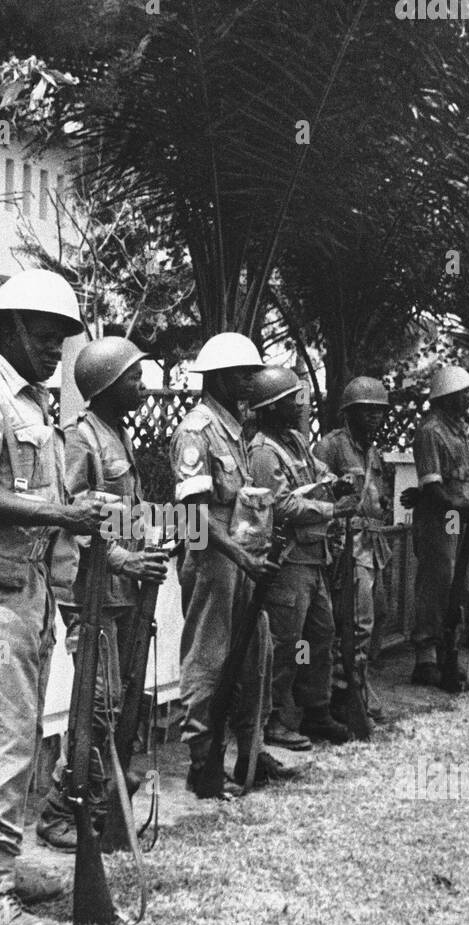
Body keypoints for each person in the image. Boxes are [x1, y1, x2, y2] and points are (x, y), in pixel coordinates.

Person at [0, 269, 104, 925]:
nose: (53, 350)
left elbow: (50, 522)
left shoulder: (40, 408)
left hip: (29, 593)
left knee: (17, 737)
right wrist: (62, 510)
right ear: (8, 330)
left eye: (61, 340)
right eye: (42, 336)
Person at [34, 336, 167, 851]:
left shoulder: (117, 435)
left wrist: (156, 541)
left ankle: (99, 798)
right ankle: (59, 811)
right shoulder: (80, 439)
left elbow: (125, 513)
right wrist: (123, 559)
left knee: (116, 704)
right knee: (99, 702)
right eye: (133, 377)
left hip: (123, 592)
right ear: (107, 384)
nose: (141, 385)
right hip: (91, 593)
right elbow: (71, 524)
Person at [171, 332, 280, 797]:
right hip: (212, 560)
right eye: (243, 373)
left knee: (256, 654)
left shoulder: (234, 430)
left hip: (241, 558)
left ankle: (249, 754)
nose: (252, 381)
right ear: (218, 378)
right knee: (208, 659)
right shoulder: (196, 431)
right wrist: (237, 557)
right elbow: (191, 519)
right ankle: (203, 763)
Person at [247, 366, 358, 748]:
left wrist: (336, 481)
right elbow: (278, 505)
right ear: (272, 406)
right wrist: (331, 510)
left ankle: (315, 708)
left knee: (317, 636)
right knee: (286, 641)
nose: (299, 406)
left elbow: (316, 471)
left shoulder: (293, 441)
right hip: (289, 562)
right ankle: (275, 716)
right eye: (291, 400)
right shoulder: (263, 450)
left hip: (313, 558)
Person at [313, 376, 393, 722]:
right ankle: (344, 695)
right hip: (346, 548)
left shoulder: (372, 451)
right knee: (353, 625)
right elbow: (315, 496)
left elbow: (377, 495)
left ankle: (358, 683)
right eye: (367, 411)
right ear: (350, 413)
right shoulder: (330, 447)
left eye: (379, 412)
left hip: (373, 546)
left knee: (379, 616)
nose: (375, 418)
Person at [404, 364, 469, 688]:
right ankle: (425, 659)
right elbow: (432, 487)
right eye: (463, 395)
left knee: (457, 585)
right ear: (447, 397)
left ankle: (449, 653)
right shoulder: (431, 430)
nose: (468, 400)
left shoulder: (458, 429)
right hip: (440, 518)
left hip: (459, 518)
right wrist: (461, 507)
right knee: (437, 583)